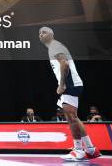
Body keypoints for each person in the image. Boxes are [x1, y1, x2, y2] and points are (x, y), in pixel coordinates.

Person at [39, 26, 101, 161]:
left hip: (70, 85)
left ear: (52, 34)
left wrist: (61, 85)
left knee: (72, 117)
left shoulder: (55, 46)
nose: (41, 34)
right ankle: (90, 149)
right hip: (71, 85)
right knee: (72, 118)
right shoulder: (54, 47)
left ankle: (80, 150)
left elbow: (65, 64)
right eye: (40, 33)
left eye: (44, 32)